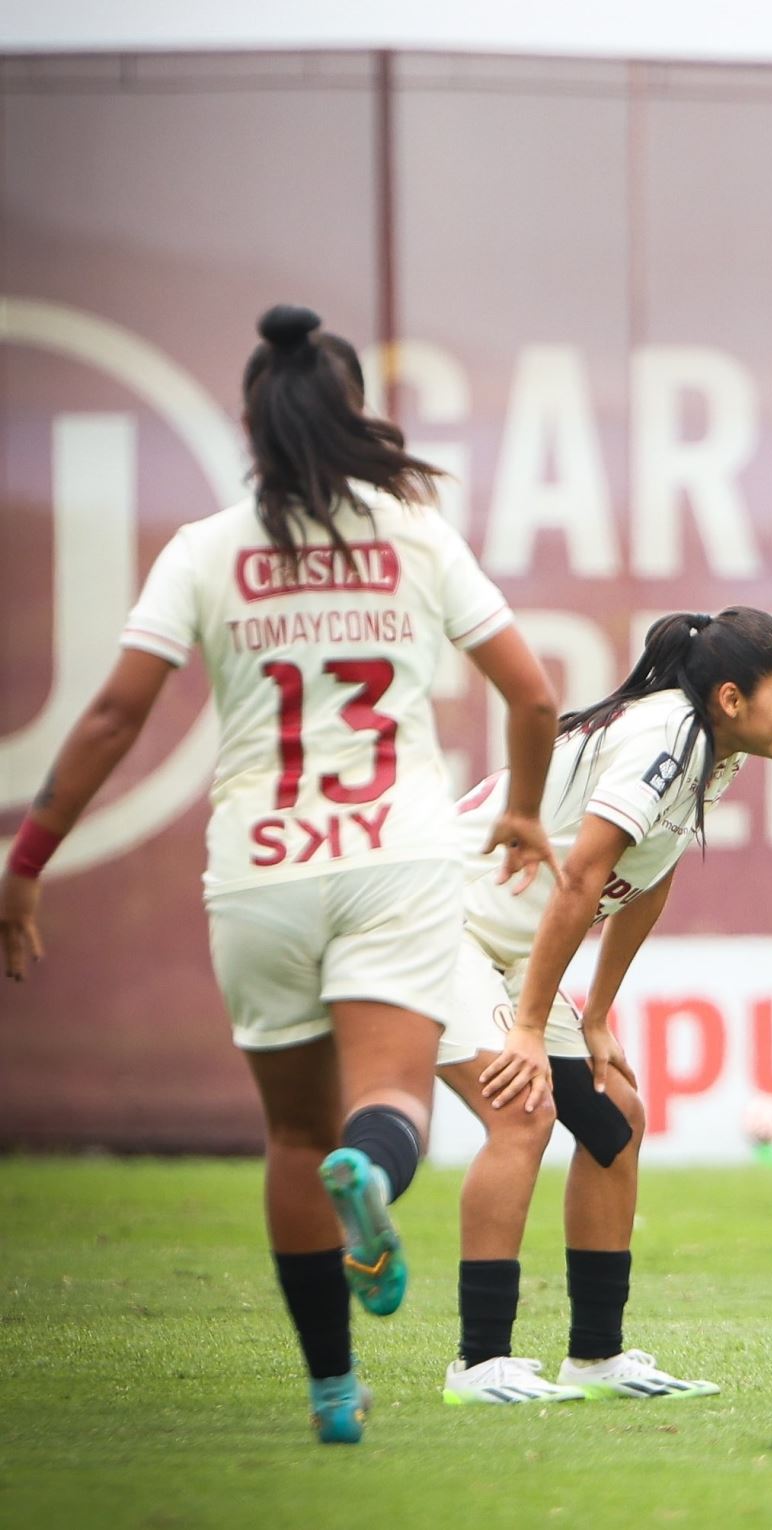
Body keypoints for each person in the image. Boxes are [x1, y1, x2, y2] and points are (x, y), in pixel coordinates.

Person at [0, 306, 561, 1445]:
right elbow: (536, 696)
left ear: (251, 423)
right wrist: (518, 809)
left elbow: (113, 715)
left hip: (258, 868)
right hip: (393, 858)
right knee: (387, 1106)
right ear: (354, 415)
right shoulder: (412, 534)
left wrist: (27, 861)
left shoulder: (206, 548)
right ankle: (376, 1174)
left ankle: (329, 1392)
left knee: (292, 1144)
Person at [434, 607, 772, 1405]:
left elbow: (650, 872)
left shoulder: (713, 749)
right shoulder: (664, 737)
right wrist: (531, 1028)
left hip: (509, 951)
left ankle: (595, 1358)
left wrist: (596, 1014)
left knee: (617, 1115)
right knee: (522, 1110)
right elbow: (579, 878)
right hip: (437, 924)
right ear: (734, 697)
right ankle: (477, 1365)